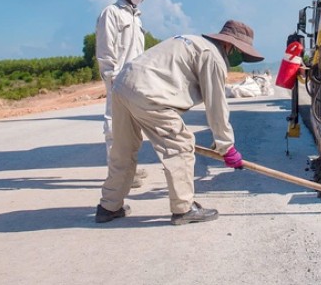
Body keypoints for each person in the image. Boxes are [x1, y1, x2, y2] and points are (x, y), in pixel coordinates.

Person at [94, 19, 264, 225]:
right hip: (150, 93)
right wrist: (226, 147)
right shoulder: (214, 57)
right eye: (240, 52)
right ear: (229, 44)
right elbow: (216, 106)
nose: (240, 58)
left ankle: (108, 206)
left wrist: (220, 143)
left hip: (122, 85)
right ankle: (184, 208)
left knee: (123, 150)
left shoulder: (193, 42)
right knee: (181, 146)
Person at [95, 0, 151, 188]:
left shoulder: (135, 17)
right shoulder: (112, 13)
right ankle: (116, 172)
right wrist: (111, 77)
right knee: (114, 125)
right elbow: (106, 49)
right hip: (117, 79)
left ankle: (129, 168)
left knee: (132, 127)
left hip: (135, 80)